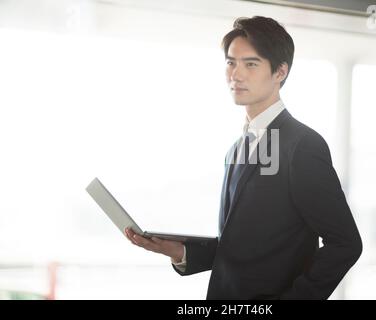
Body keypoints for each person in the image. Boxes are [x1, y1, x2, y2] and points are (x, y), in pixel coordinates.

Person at [125, 16, 362, 300]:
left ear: (280, 72)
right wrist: (179, 251)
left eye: (251, 64)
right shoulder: (236, 149)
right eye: (231, 63)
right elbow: (237, 247)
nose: (236, 74)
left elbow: (346, 243)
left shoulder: (302, 145)